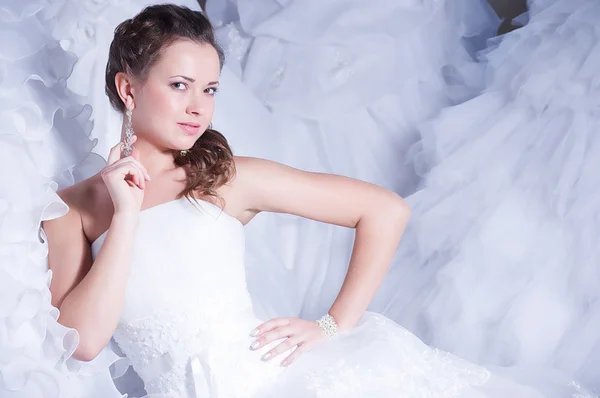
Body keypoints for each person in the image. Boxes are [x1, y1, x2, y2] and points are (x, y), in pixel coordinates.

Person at [39, 4, 548, 398]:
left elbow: (384, 210)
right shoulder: (70, 211)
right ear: (129, 89)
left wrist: (332, 324)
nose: (199, 108)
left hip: (282, 383)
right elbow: (82, 343)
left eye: (210, 89)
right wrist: (125, 217)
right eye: (179, 85)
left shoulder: (225, 179)